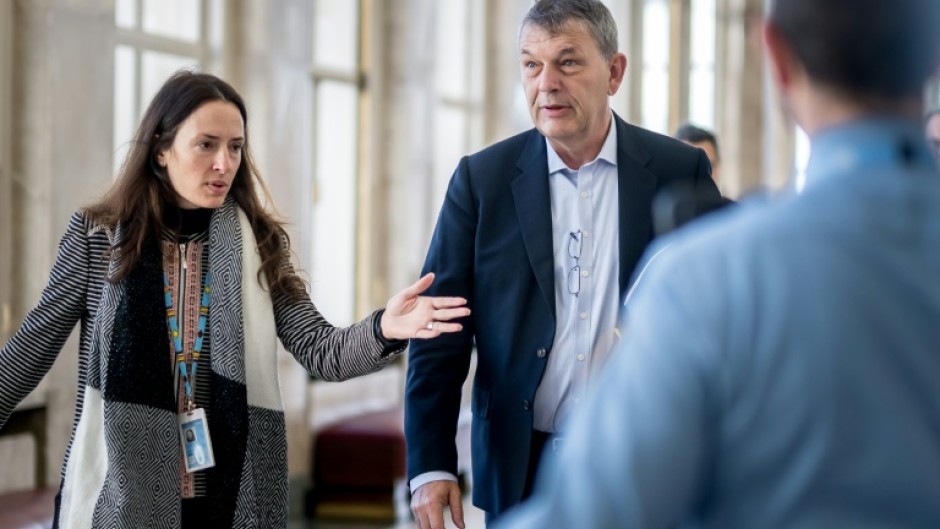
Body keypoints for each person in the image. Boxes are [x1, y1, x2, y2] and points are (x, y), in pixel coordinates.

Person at [495, 0, 940, 527]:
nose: (547, 82)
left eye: (567, 62)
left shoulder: (706, 281)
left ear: (774, 56)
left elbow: (594, 513)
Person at [0, 71, 470, 528]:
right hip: (123, 495)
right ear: (162, 150)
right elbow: (31, 348)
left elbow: (321, 350)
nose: (224, 163)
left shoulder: (261, 242)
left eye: (235, 147)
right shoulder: (98, 239)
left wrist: (383, 329)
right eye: (206, 145)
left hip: (230, 492)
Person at [405, 0, 720, 527]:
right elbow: (440, 331)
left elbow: (720, 317)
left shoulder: (678, 171)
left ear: (614, 71)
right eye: (531, 64)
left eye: (568, 62)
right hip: (518, 462)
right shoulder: (481, 183)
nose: (545, 83)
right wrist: (432, 463)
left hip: (646, 458)